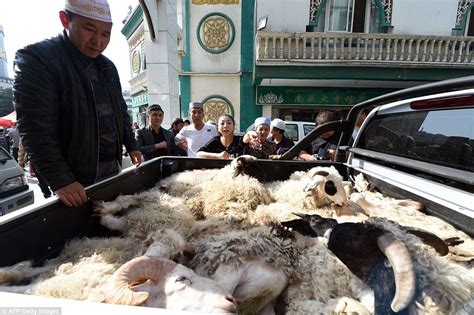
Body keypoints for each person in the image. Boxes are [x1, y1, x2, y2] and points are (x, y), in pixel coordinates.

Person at [13, 0, 141, 207]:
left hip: (111, 168)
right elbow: (34, 128)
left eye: (105, 34)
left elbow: (121, 111)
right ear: (65, 19)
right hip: (73, 178)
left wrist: (132, 145)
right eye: (89, 29)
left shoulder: (108, 67)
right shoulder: (38, 59)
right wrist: (61, 180)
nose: (98, 41)